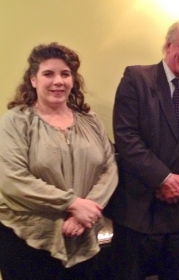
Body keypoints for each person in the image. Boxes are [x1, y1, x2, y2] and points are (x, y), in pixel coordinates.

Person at [105, 19, 179, 280]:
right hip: (140, 209)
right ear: (167, 45)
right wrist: (163, 179)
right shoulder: (136, 78)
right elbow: (126, 137)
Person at [0, 43, 118, 280]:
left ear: (73, 80)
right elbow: (11, 178)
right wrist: (71, 204)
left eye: (65, 74)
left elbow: (109, 168)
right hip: (28, 241)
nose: (58, 81)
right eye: (48, 74)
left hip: (84, 234)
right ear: (33, 80)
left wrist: (86, 211)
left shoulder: (90, 120)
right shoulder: (15, 121)